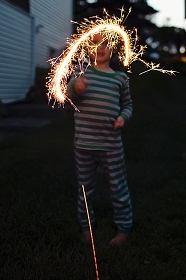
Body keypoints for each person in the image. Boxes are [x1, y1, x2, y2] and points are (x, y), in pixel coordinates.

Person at [67, 32, 133, 247]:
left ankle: (124, 229)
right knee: (85, 189)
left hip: (111, 145)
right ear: (88, 49)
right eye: (95, 44)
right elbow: (69, 93)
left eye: (105, 43)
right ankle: (86, 227)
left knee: (118, 187)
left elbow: (128, 105)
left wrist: (123, 118)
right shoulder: (81, 73)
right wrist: (76, 88)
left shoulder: (120, 78)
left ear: (113, 49)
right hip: (84, 145)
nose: (101, 47)